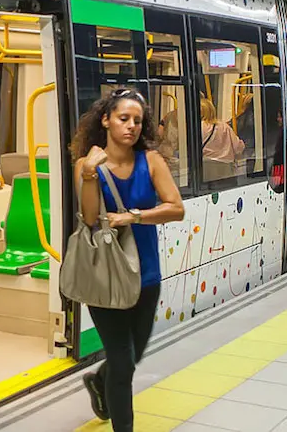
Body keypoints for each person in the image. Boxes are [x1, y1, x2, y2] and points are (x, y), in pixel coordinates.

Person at [71, 88, 184, 432]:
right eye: (123, 119)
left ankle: (98, 381)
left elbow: (176, 208)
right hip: (105, 276)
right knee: (123, 365)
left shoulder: (151, 161)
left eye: (137, 120)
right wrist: (90, 174)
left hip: (146, 276)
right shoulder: (85, 164)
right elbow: (90, 218)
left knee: (132, 356)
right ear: (105, 120)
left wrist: (133, 217)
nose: (131, 126)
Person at [200, 97, 245, 181]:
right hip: (226, 168)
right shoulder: (224, 126)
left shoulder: (199, 127)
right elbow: (238, 147)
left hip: (206, 168)